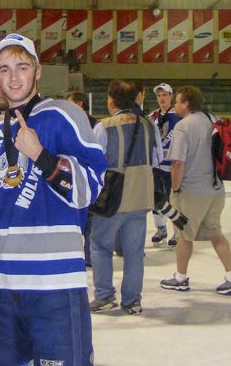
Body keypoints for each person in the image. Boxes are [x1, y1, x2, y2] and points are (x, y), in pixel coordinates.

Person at [0, 34, 106, 366]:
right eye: (4, 69)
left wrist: (41, 156)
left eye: (22, 67)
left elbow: (89, 189)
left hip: (53, 282)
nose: (14, 77)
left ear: (37, 71)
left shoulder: (63, 115)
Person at [160, 85, 231, 295]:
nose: (175, 105)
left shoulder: (183, 126)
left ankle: (180, 278)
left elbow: (177, 163)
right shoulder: (212, 119)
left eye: (177, 101)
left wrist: (176, 189)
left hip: (192, 191)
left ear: (186, 104)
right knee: (216, 234)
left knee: (184, 235)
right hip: (216, 189)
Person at [89, 80, 160, 315]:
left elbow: (94, 161)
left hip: (112, 198)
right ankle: (132, 300)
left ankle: (104, 295)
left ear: (112, 100)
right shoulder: (149, 125)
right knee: (134, 252)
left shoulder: (104, 126)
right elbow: (157, 159)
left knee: (100, 246)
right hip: (141, 197)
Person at [67, 90, 98, 266]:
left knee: (87, 218)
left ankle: (86, 254)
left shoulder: (93, 124)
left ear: (80, 104)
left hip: (85, 176)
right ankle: (81, 254)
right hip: (74, 176)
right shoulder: (68, 122)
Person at [148, 83, 181, 246]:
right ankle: (160, 228)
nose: (162, 98)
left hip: (173, 166)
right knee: (156, 198)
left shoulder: (179, 116)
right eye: (159, 95)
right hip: (155, 166)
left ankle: (177, 232)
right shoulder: (152, 117)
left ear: (171, 97)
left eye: (165, 95)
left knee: (173, 199)